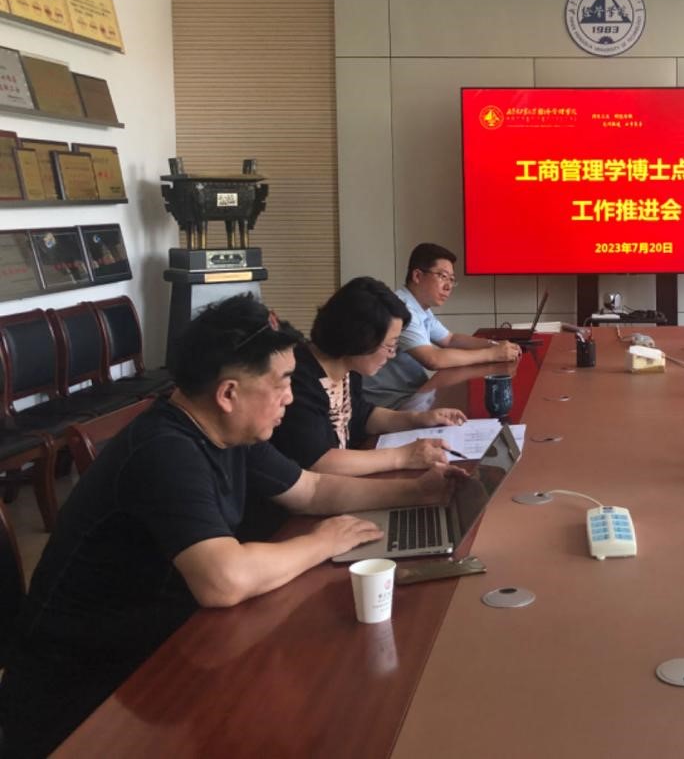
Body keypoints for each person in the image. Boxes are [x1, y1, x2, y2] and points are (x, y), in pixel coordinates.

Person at [0, 295, 462, 757]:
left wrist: (416, 492)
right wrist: (323, 541)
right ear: (228, 394)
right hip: (87, 697)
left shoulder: (228, 431)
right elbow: (224, 579)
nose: (290, 396)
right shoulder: (165, 450)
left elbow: (312, 489)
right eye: (282, 382)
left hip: (167, 651)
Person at [269, 276, 468, 476]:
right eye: (390, 346)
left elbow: (362, 415)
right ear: (361, 339)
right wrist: (404, 456)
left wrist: (419, 419)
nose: (392, 355)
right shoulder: (299, 379)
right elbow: (318, 462)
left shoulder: (348, 368)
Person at [363, 242, 520, 407]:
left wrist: (495, 345)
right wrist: (492, 354)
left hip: (412, 393)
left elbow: (450, 339)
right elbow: (433, 359)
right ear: (417, 276)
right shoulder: (401, 308)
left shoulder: (419, 307)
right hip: (391, 404)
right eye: (442, 276)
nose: (448, 286)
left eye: (452, 280)